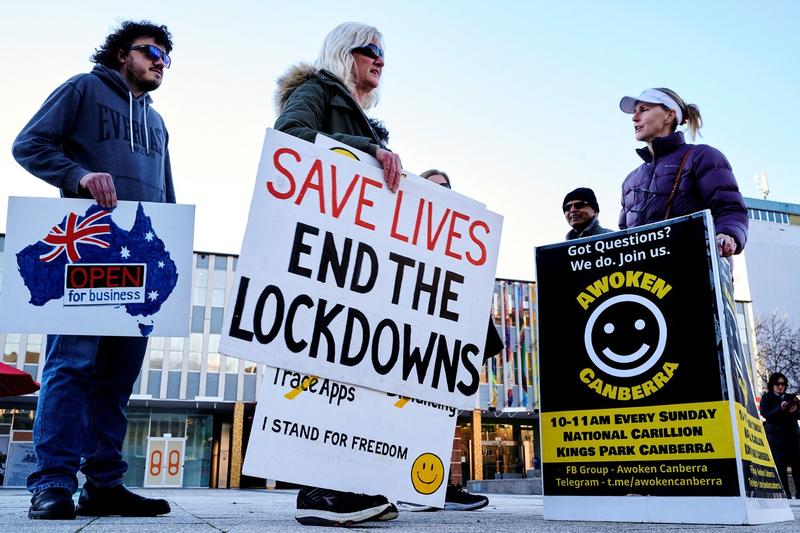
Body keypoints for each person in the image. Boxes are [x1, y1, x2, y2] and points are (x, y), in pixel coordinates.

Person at [12, 20, 175, 520]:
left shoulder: (158, 123)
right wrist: (78, 175)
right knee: (71, 367)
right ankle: (52, 483)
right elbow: (29, 144)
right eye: (152, 52)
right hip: (84, 253)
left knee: (117, 377)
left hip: (137, 265)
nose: (161, 63)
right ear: (122, 53)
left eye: (168, 58)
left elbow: (166, 197)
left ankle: (104, 483)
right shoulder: (83, 88)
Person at [274, 22, 402, 526]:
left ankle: (347, 482)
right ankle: (319, 491)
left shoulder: (364, 118)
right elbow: (289, 137)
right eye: (371, 50)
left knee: (349, 368)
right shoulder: (314, 91)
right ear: (343, 53)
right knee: (324, 367)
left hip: (350, 252)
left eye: (383, 53)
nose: (380, 60)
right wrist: (366, 148)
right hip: (322, 248)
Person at [618, 88, 748, 257]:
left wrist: (727, 234)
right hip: (645, 280)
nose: (634, 118)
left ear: (669, 115)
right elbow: (622, 237)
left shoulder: (702, 156)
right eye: (634, 112)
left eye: (644, 110)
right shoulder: (630, 180)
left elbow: (730, 208)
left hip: (695, 272)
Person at [759, 372, 800, 498]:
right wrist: (780, 409)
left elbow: (799, 414)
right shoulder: (767, 398)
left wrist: (793, 411)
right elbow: (766, 414)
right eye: (777, 384)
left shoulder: (791, 397)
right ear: (772, 385)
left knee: (797, 466)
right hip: (777, 439)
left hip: (793, 438)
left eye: (783, 384)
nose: (780, 386)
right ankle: (785, 494)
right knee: (780, 467)